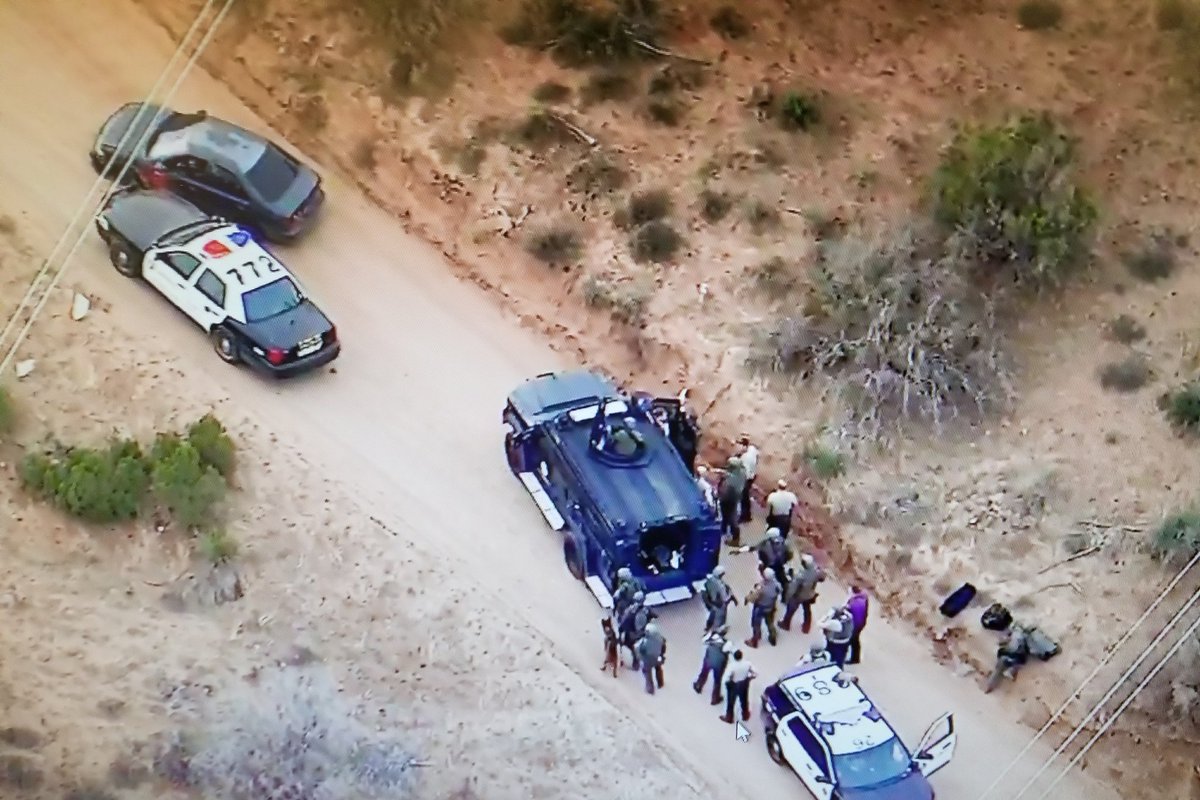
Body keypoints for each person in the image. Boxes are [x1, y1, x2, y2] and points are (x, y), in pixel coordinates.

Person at [780, 554, 825, 633]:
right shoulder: (816, 571)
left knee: (791, 609)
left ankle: (785, 624)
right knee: (807, 610)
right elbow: (822, 578)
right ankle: (806, 627)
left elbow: (792, 588)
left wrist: (787, 597)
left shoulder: (801, 575)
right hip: (810, 594)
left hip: (799, 596)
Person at [693, 624, 733, 705]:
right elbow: (729, 651)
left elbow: (703, 640)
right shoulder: (727, 643)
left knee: (703, 673)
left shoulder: (711, 637)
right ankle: (715, 698)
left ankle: (698, 685)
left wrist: (710, 633)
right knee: (717, 681)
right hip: (719, 664)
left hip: (708, 659)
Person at [986, 625, 1030, 694]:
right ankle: (1011, 672)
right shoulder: (1020, 637)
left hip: (1009, 656)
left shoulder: (1013, 637)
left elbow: (1006, 644)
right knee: (1015, 662)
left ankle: (990, 686)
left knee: (998, 670)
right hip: (1014, 656)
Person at [745, 567, 782, 648]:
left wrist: (747, 598)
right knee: (770, 623)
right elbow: (779, 591)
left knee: (756, 624)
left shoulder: (762, 587)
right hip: (771, 606)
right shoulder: (777, 584)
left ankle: (755, 641)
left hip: (760, 607)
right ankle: (773, 637)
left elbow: (753, 597)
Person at [720, 650, 757, 723]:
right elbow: (756, 672)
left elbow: (726, 677)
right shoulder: (747, 663)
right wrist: (750, 678)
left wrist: (726, 683)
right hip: (744, 684)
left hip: (734, 685)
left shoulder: (732, 666)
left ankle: (729, 718)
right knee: (744, 700)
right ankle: (745, 715)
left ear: (734, 657)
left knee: (730, 702)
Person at [717, 456, 747, 545]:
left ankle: (735, 538)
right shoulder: (741, 473)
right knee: (726, 515)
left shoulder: (734, 478)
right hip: (731, 497)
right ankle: (724, 530)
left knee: (731, 518)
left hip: (730, 498)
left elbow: (729, 480)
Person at [619, 591, 653, 668]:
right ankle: (636, 661)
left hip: (632, 632)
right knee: (633, 646)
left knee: (628, 644)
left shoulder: (631, 609)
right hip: (639, 632)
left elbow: (624, 619)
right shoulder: (646, 610)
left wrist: (621, 628)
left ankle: (635, 661)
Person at [701, 564, 738, 633]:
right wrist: (732, 598)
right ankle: (719, 630)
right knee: (720, 617)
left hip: (712, 602)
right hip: (719, 603)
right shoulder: (719, 584)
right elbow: (725, 596)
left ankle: (708, 626)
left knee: (712, 614)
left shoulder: (709, 580)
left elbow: (703, 592)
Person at [635, 622, 668, 694]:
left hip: (648, 659)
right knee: (658, 668)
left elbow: (641, 650)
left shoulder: (645, 641)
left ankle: (650, 688)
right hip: (657, 658)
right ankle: (660, 683)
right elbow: (663, 647)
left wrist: (640, 656)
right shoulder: (660, 639)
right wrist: (661, 655)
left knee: (647, 671)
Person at [736, 436, 759, 524]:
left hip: (746, 478)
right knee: (746, 496)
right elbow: (757, 456)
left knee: (743, 497)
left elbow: (743, 470)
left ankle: (744, 516)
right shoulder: (752, 449)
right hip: (752, 476)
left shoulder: (744, 458)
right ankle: (747, 515)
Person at [846, 585, 869, 665]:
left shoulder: (853, 602)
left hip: (855, 623)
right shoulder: (864, 598)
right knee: (855, 640)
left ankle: (854, 658)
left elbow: (849, 610)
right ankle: (856, 657)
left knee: (852, 640)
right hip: (861, 623)